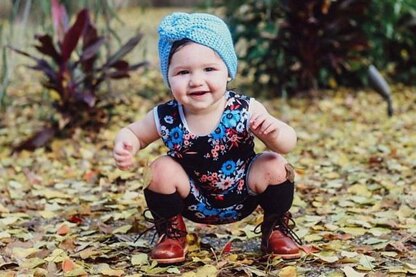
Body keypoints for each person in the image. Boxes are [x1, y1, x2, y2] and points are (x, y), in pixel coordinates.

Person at [113, 12, 302, 264]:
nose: (196, 80)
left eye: (209, 69)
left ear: (227, 72)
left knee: (274, 164)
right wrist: (127, 142)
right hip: (192, 197)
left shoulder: (244, 109)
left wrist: (275, 134)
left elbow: (289, 143)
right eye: (182, 72)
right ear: (168, 77)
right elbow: (134, 132)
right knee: (159, 168)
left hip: (243, 190)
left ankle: (275, 229)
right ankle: (171, 234)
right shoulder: (166, 115)